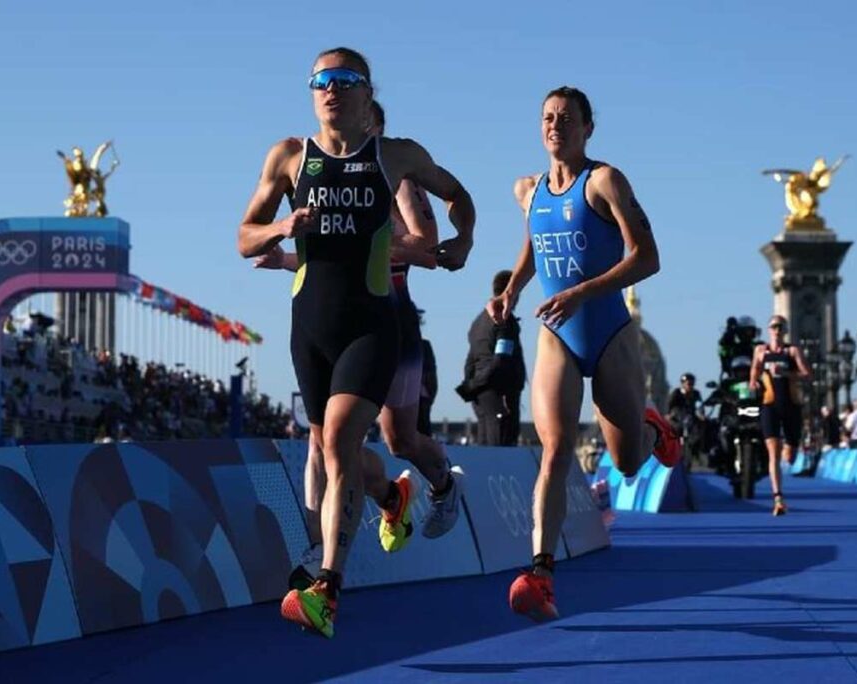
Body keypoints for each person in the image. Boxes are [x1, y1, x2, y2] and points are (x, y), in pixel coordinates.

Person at [238, 47, 475, 638]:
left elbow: (457, 196)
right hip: (310, 328)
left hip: (375, 321)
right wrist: (282, 228)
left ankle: (327, 587)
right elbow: (244, 237)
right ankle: (384, 502)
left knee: (354, 438)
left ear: (368, 94)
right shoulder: (288, 157)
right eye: (321, 80)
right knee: (324, 445)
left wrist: (463, 241)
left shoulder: (396, 157)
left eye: (345, 80)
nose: (331, 89)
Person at [488, 86, 681, 622]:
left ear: (588, 128)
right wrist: (513, 290)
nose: (556, 125)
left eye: (567, 118)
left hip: (609, 330)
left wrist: (581, 292)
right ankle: (541, 573)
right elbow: (536, 239)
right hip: (558, 333)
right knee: (555, 449)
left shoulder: (604, 182)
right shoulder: (527, 190)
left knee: (627, 461)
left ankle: (652, 430)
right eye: (548, 118)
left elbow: (648, 258)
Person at [749, 315, 810, 516]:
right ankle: (778, 498)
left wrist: (786, 374)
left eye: (780, 327)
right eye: (774, 327)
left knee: (789, 456)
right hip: (770, 405)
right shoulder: (760, 351)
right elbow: (754, 372)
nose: (777, 330)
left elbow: (807, 374)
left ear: (785, 331)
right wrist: (754, 382)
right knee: (773, 452)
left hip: (791, 405)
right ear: (769, 330)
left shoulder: (792, 351)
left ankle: (790, 448)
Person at [457, 269, 527, 446]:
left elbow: (470, 361)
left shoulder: (478, 322)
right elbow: (501, 360)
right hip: (500, 394)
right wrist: (481, 383)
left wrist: (471, 386)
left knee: (485, 448)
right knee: (502, 448)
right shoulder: (505, 321)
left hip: (481, 398)